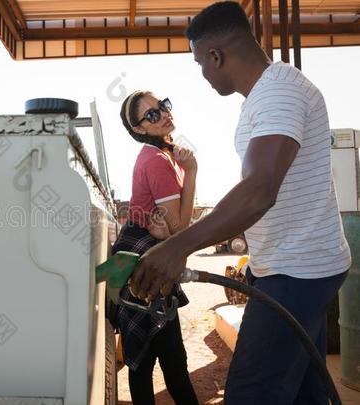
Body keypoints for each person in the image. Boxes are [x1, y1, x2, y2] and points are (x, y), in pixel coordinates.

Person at [129, 2, 351, 404]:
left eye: (200, 63)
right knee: (306, 392)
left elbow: (260, 188)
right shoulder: (267, 94)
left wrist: (177, 246)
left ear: (216, 56)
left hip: (297, 270)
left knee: (251, 394)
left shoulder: (278, 93)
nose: (203, 74)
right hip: (295, 266)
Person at [111, 90, 199, 405]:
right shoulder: (159, 161)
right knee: (171, 362)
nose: (162, 114)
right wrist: (192, 173)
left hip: (145, 263)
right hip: (148, 266)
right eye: (151, 115)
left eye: (162, 105)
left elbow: (174, 227)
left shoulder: (163, 155)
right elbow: (180, 229)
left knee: (145, 361)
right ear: (139, 129)